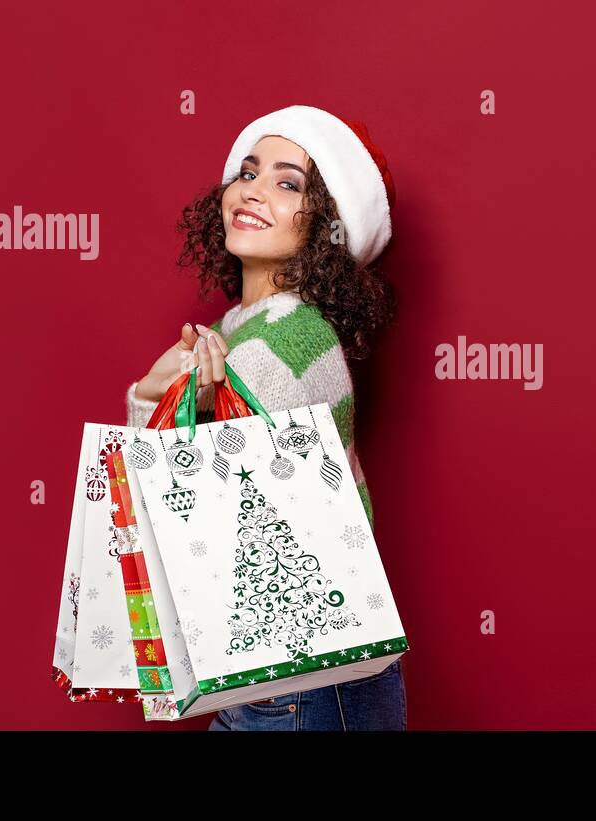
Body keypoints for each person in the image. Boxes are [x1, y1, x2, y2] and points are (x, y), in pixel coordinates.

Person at [124, 105, 405, 730]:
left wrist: (155, 398)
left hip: (305, 673)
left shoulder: (290, 337)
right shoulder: (238, 331)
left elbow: (187, 504)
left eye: (288, 182)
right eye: (247, 172)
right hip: (271, 666)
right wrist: (154, 392)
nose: (253, 189)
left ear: (324, 228)